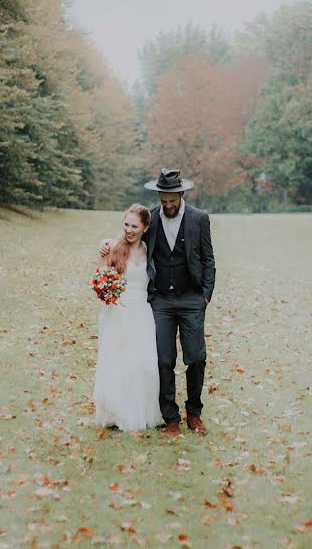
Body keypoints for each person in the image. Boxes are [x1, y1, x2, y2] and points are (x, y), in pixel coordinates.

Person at [100, 168, 216, 437]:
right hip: (161, 300)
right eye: (163, 199)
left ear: (182, 194)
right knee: (163, 360)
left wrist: (205, 296)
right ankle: (170, 417)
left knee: (196, 358)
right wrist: (105, 243)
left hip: (191, 299)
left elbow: (209, 259)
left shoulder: (199, 219)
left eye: (172, 200)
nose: (167, 205)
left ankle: (194, 413)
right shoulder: (150, 218)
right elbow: (129, 238)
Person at [93, 204, 164, 431]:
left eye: (134, 226)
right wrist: (107, 289)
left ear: (145, 227)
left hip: (142, 312)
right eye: (126, 224)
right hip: (119, 311)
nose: (129, 230)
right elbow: (100, 275)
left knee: (145, 365)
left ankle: (140, 412)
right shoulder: (114, 247)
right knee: (119, 362)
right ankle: (117, 412)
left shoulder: (149, 249)